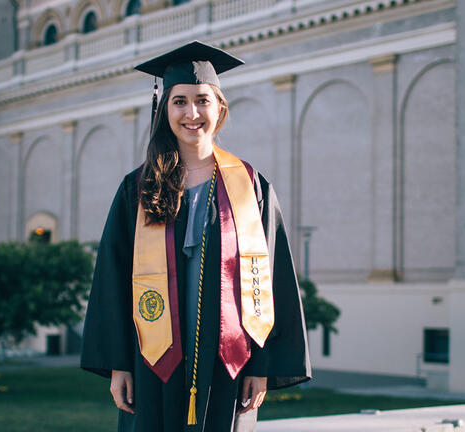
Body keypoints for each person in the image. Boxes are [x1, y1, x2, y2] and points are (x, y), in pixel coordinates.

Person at [81, 41, 310, 432]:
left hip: (229, 358)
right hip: (152, 356)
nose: (192, 113)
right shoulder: (138, 188)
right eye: (179, 101)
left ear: (219, 108)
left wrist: (261, 364)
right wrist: (120, 363)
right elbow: (111, 279)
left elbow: (271, 280)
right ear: (164, 110)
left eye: (202, 100)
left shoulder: (250, 185)